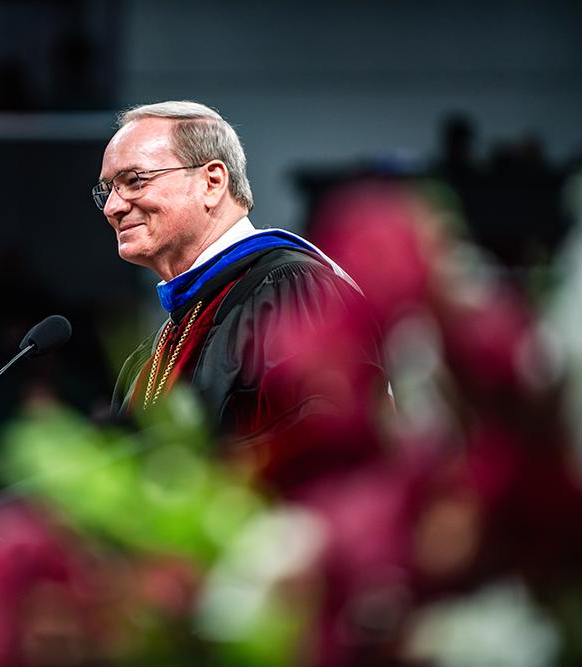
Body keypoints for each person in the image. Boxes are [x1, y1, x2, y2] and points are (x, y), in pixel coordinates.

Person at [97, 101, 388, 489]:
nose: (113, 207)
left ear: (212, 182)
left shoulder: (290, 286)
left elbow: (325, 449)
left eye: (134, 181)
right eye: (107, 190)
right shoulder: (157, 349)